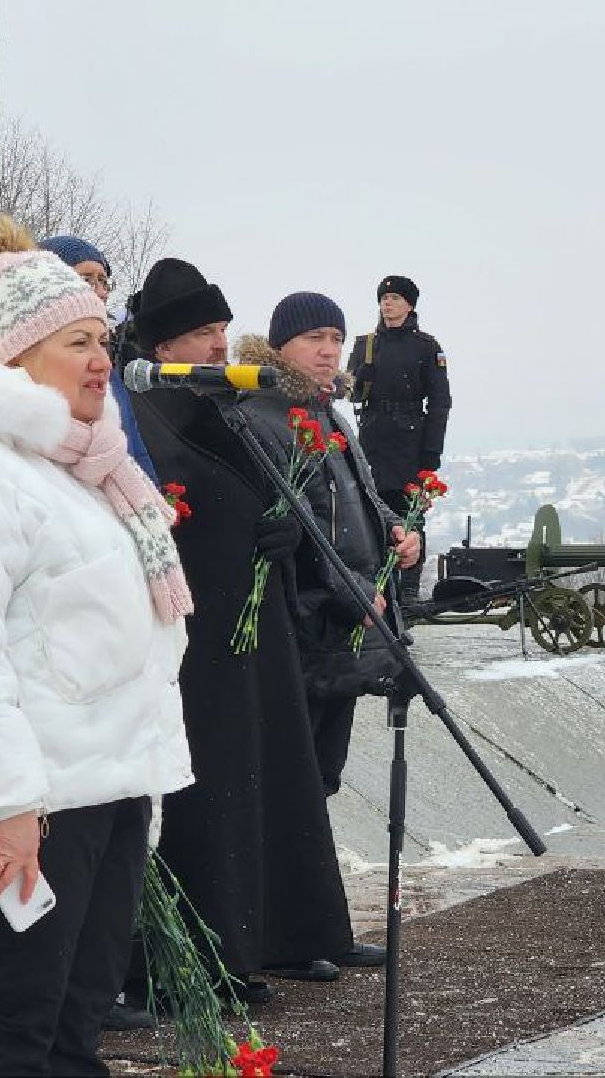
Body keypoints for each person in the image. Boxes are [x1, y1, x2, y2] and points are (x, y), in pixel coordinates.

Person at [0, 213, 195, 1075]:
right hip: (27, 808)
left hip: (104, 788)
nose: (101, 361)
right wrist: (11, 808)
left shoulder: (83, 467)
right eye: (75, 343)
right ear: (16, 357)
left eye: (103, 340)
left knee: (70, 1032)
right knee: (7, 1034)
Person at [108, 260, 362, 1014]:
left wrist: (280, 533)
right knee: (211, 790)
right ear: (163, 344)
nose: (219, 344)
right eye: (201, 332)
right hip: (195, 628)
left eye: (221, 328)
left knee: (267, 773)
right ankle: (211, 954)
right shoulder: (143, 408)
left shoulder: (222, 402)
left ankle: (280, 932)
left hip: (250, 622)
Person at [237, 294, 422, 803]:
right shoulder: (262, 418)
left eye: (336, 338)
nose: (328, 350)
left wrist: (396, 530)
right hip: (308, 627)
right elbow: (300, 530)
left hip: (343, 630)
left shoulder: (330, 416)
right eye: (313, 338)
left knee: (321, 779)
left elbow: (360, 498)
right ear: (279, 346)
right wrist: (352, 592)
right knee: (291, 781)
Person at [346, 275, 452, 602]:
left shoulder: (426, 347)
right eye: (384, 298)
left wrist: (431, 451)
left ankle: (408, 590)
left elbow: (440, 402)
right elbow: (349, 392)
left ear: (409, 305)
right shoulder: (366, 345)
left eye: (394, 298)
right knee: (372, 511)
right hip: (373, 436)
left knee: (410, 513)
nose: (387, 303)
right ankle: (381, 586)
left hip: (410, 439)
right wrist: (359, 380)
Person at [40, 235, 158, 483]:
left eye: (103, 281)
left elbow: (134, 450)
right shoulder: (35, 365)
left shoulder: (106, 370)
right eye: (87, 280)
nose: (101, 292)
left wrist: (153, 496)